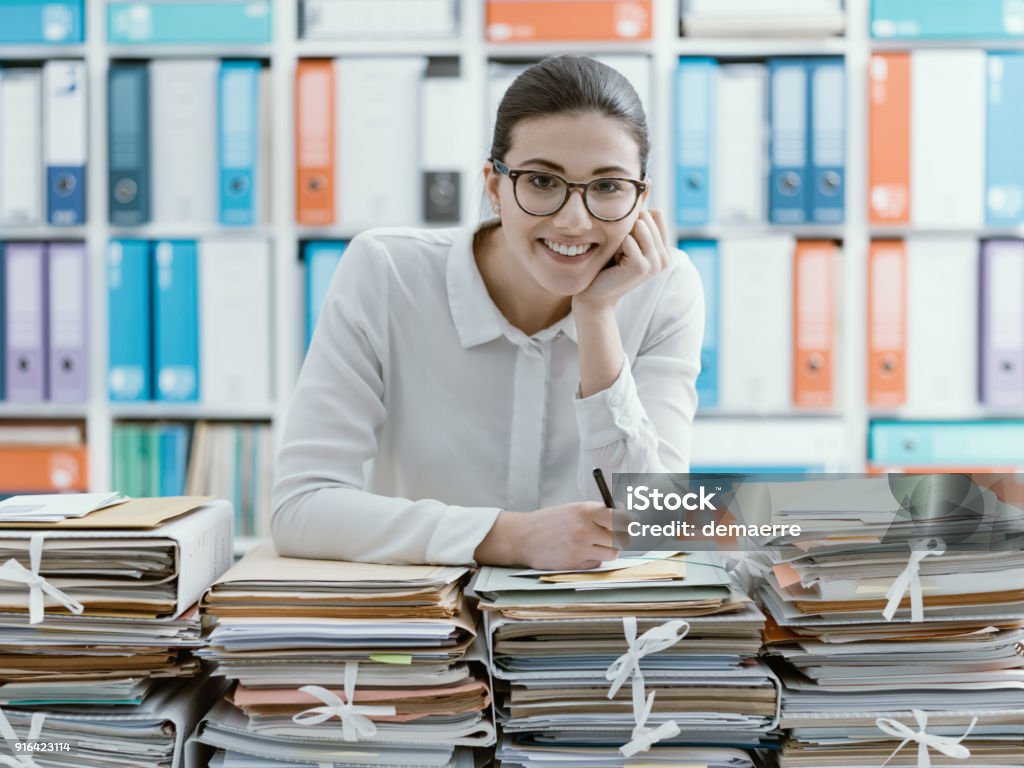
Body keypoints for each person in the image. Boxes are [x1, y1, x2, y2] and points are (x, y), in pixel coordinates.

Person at [271, 55, 705, 570]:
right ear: (495, 187)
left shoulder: (665, 287)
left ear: (640, 199)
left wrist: (596, 314)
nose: (573, 220)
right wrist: (507, 537)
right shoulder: (386, 271)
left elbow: (652, 524)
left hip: (584, 638)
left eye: (608, 187)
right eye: (542, 181)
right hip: (423, 636)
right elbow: (300, 508)